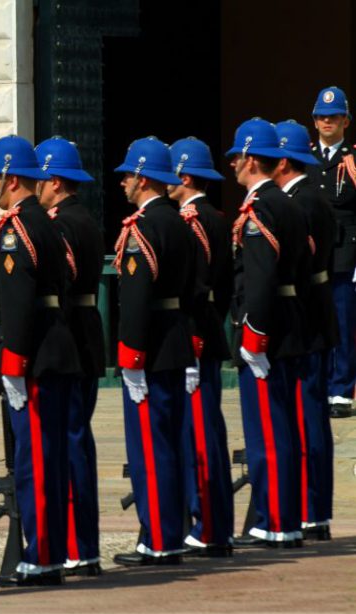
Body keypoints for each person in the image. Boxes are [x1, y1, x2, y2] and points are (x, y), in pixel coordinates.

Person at [0, 135, 80, 587]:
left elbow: (17, 303)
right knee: (52, 458)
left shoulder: (17, 229)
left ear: (11, 178)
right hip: (53, 349)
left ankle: (40, 556)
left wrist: (13, 363)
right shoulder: (45, 222)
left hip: (33, 357)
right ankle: (52, 552)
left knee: (34, 460)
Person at [111, 137, 195, 566]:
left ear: (143, 177)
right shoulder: (182, 222)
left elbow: (137, 298)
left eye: (128, 174)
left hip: (151, 348)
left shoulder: (141, 227)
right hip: (176, 341)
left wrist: (131, 356)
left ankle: (158, 538)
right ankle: (172, 532)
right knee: (171, 442)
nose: (123, 181)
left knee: (149, 445)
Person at [227, 118, 308, 548]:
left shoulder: (259, 209)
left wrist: (253, 336)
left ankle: (274, 519)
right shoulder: (291, 203)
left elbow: (258, 279)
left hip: (267, 332)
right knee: (286, 427)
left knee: (267, 430)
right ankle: (288, 517)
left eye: (238, 158)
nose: (234, 166)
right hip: (291, 324)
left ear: (251, 159)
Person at [35, 136, 105, 575]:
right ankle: (86, 544)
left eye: (39, 181)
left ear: (55, 182)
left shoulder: (60, 225)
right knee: (77, 439)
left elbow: (59, 281)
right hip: (86, 331)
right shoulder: (87, 219)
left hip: (70, 336)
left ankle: (80, 545)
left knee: (71, 443)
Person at [166, 137, 235, 557]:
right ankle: (214, 523)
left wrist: (191, 341)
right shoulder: (216, 218)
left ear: (185, 176)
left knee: (200, 436)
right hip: (208, 330)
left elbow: (195, 288)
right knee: (206, 431)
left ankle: (208, 525)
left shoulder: (191, 221)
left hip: (195, 336)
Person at [273, 120, 337, 541]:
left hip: (306, 319)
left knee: (307, 414)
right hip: (315, 314)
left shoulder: (301, 203)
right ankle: (312, 509)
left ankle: (312, 510)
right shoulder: (309, 198)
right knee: (307, 414)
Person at [309, 87, 356, 418]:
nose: (328, 121)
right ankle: (319, 384)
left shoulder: (352, 161)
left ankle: (340, 389)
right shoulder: (305, 159)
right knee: (313, 322)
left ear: (345, 121)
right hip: (311, 257)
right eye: (322, 117)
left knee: (341, 322)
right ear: (314, 121)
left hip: (343, 256)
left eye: (334, 116)